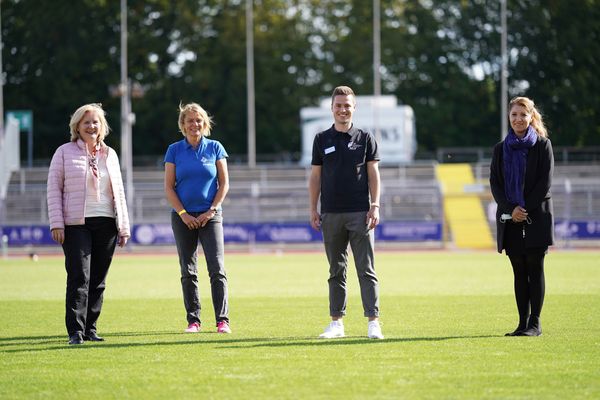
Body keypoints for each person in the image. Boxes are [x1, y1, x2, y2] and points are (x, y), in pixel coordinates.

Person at [47, 103, 130, 345]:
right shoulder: (63, 152)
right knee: (79, 277)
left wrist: (123, 226)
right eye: (86, 122)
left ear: (102, 126)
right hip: (75, 224)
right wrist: (57, 223)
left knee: (98, 280)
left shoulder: (110, 154)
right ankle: (75, 331)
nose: (91, 126)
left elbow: (119, 193)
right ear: (77, 126)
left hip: (107, 223)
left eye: (95, 122)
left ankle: (91, 328)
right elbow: (53, 189)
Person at [308, 86, 384, 340]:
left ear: (354, 108)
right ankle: (336, 323)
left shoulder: (365, 138)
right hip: (330, 213)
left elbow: (374, 173)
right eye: (338, 105)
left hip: (360, 212)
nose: (343, 109)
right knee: (336, 271)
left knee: (366, 269)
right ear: (332, 108)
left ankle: (373, 322)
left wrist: (375, 205)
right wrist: (313, 208)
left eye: (347, 105)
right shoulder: (321, 139)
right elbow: (315, 177)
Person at [164, 102, 231, 334]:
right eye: (190, 120)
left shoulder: (215, 148)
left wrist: (211, 210)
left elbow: (224, 184)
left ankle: (222, 321)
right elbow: (169, 187)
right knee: (188, 270)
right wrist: (183, 214)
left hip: (211, 216)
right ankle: (194, 321)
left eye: (199, 119)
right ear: (183, 124)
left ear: (205, 123)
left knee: (217, 268)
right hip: (183, 218)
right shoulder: (174, 150)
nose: (195, 124)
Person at [490, 96, 554, 337]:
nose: (518, 119)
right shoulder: (499, 149)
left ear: (531, 117)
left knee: (535, 267)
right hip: (510, 219)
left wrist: (523, 209)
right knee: (518, 270)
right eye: (514, 115)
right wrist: (510, 209)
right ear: (509, 117)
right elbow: (495, 183)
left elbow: (544, 183)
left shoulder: (542, 145)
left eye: (523, 115)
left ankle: (535, 324)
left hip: (536, 216)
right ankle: (521, 323)